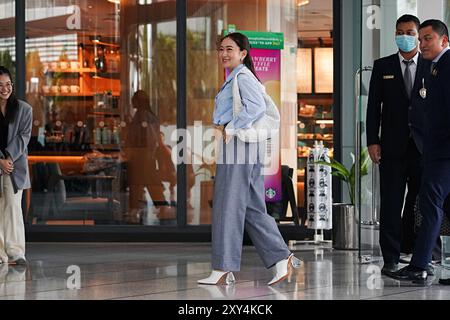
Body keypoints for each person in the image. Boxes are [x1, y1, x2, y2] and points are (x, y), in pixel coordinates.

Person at [197, 32, 301, 286]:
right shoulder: (237, 77)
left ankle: (222, 267)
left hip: (239, 145)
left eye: (229, 49)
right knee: (253, 207)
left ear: (243, 53)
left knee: (227, 205)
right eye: (221, 49)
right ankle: (280, 258)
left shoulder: (242, 77)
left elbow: (255, 108)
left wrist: (232, 128)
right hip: (245, 146)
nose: (224, 54)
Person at [386, 19, 450, 284]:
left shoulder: (447, 65)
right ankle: (421, 263)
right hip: (437, 150)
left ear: (443, 41)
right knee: (441, 205)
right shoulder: (434, 65)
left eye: (427, 39)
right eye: (420, 38)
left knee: (429, 203)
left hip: (444, 152)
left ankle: (420, 265)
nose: (421, 44)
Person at [366, 15, 429, 275]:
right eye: (400, 32)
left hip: (424, 148)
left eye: (410, 32)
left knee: (421, 204)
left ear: (418, 35)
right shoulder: (383, 66)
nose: (405, 36)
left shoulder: (430, 64)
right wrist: (372, 141)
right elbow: (373, 109)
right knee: (391, 203)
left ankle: (420, 253)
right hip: (391, 148)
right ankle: (390, 257)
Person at [0, 66, 32, 265]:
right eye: (0, 85)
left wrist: (8, 159)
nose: (4, 89)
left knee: (13, 207)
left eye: (8, 84)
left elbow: (24, 137)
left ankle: (16, 252)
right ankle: (0, 255)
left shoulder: (24, 109)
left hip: (14, 167)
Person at [125, 90, 166, 223]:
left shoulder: (142, 115)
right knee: (151, 181)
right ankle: (161, 206)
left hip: (140, 154)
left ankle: (134, 210)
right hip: (148, 154)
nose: (132, 102)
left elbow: (143, 135)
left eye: (134, 99)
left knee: (136, 182)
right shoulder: (150, 115)